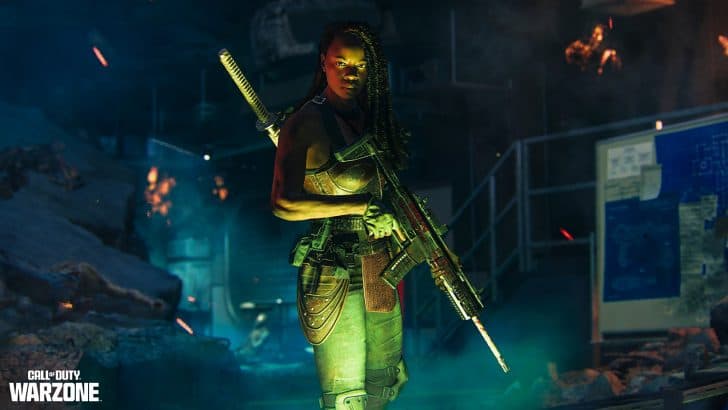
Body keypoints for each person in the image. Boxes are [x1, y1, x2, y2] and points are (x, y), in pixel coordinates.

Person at [270, 21, 410, 410]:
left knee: (383, 389)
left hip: (379, 265)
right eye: (341, 63)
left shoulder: (371, 120)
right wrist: (359, 206)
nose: (351, 74)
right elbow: (283, 203)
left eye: (360, 65)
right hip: (333, 267)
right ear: (324, 63)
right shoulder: (306, 123)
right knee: (346, 398)